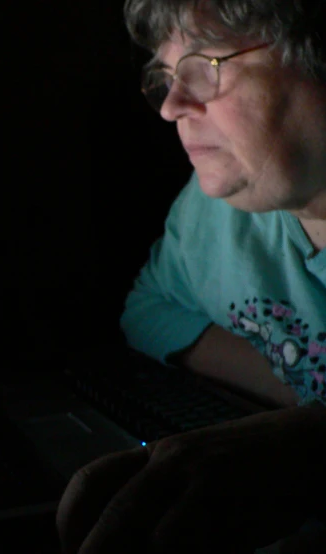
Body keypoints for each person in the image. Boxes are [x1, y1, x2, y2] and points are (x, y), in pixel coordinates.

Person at [56, 0, 326, 552]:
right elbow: (149, 310)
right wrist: (302, 394)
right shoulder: (214, 213)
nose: (171, 105)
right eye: (166, 75)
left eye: (205, 66)